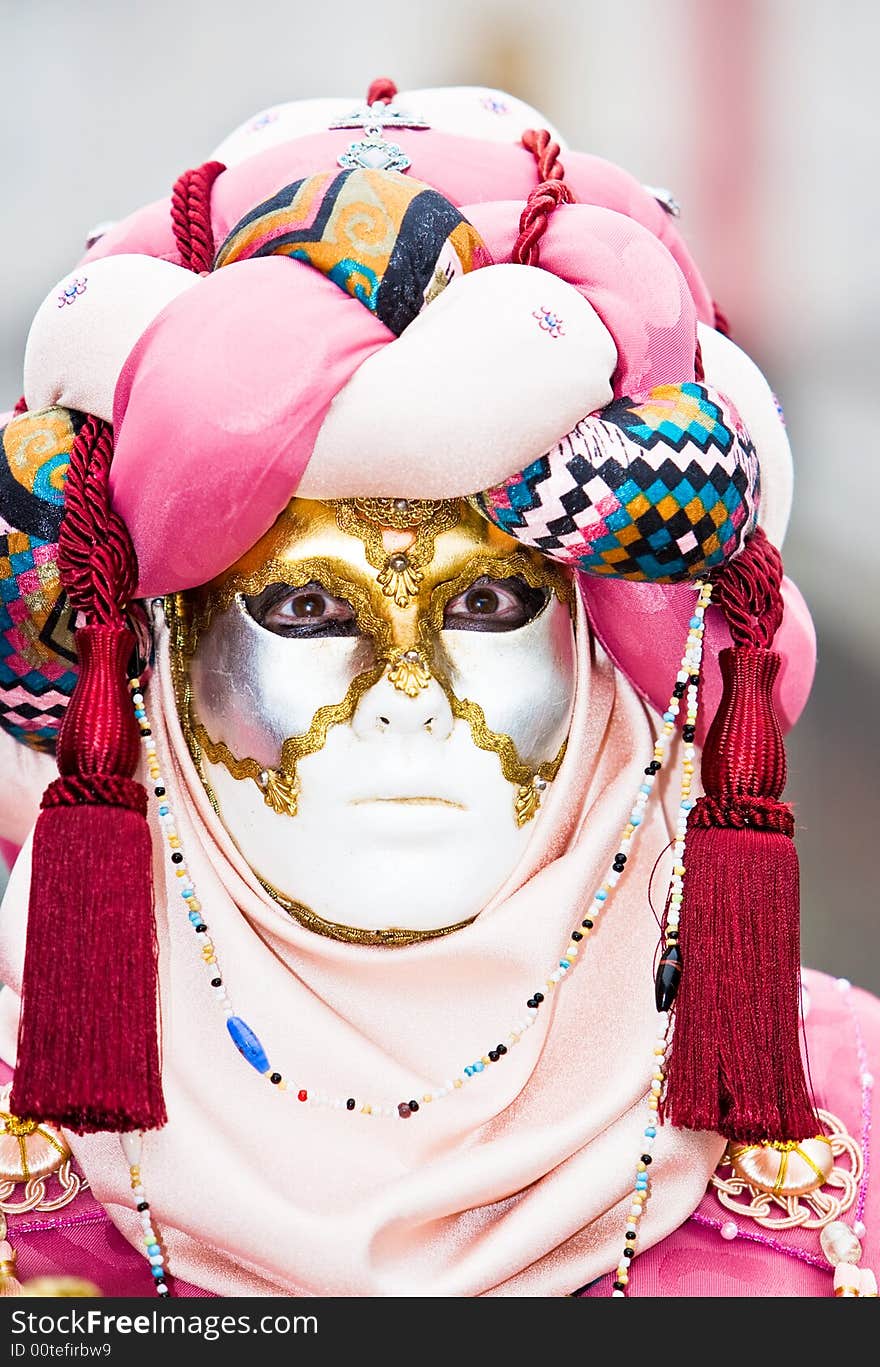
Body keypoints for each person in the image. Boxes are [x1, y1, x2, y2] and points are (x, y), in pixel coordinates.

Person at [0, 81, 875, 1299]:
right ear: (145, 647)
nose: (408, 695)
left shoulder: (850, 1132)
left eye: (488, 603)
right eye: (304, 607)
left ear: (607, 654)